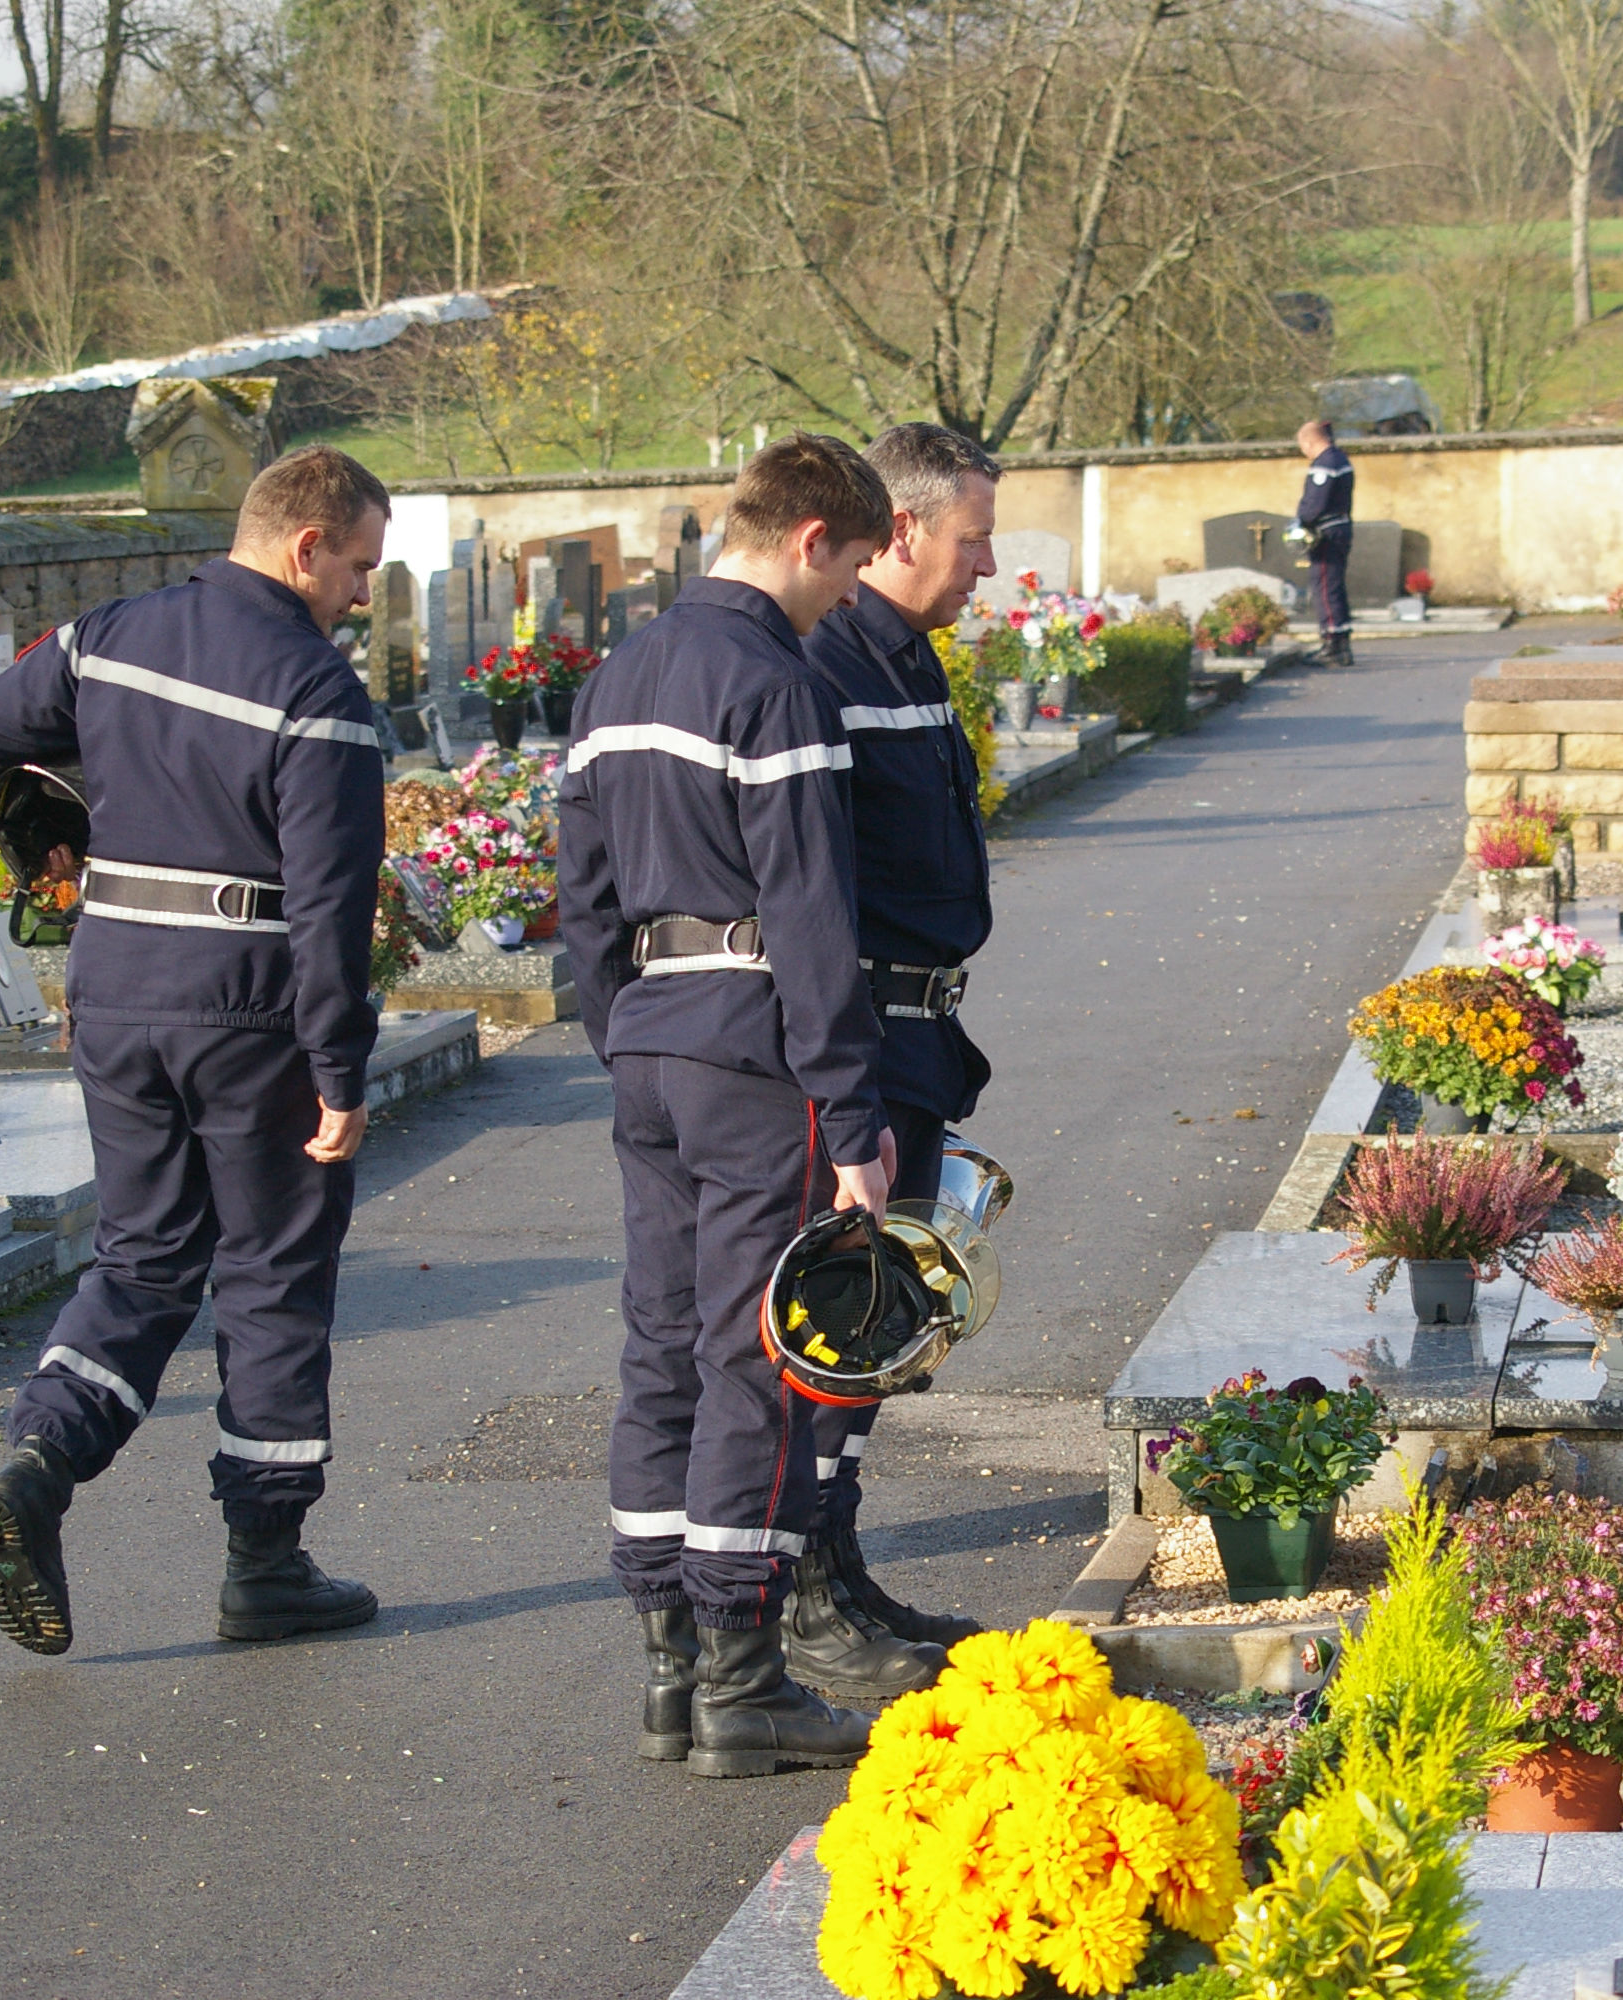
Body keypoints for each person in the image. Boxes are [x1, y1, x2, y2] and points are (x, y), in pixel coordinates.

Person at [0, 445, 392, 1655]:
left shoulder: (107, 635)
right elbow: (329, 904)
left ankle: (38, 1461)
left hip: (114, 983)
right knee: (273, 1271)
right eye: (359, 567)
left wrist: (36, 834)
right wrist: (341, 1071)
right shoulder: (317, 694)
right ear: (307, 547)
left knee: (142, 1255)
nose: (362, 595)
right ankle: (267, 1561)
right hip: (245, 1002)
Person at [557, 434, 943, 1782]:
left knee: (660, 1346)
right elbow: (808, 909)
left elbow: (584, 897)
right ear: (813, 539)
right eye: (848, 566)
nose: (849, 594)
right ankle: (745, 1678)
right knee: (758, 1356)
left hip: (651, 1041)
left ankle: (668, 1667)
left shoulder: (618, 674)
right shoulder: (771, 682)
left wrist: (625, 1032)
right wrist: (851, 1114)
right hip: (752, 1047)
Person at [793, 422, 999, 1652]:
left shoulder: (908, 658)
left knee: (888, 1316)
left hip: (918, 1028)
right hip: (861, 1025)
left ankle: (840, 1558)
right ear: (903, 528)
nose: (984, 567)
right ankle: (804, 1588)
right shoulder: (826, 663)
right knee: (841, 1307)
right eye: (970, 539)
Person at [1293, 418, 1354, 666]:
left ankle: (1332, 644)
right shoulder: (1340, 459)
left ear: (1309, 442)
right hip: (1340, 526)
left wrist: (1301, 519)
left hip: (1326, 532)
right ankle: (1341, 641)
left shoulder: (1324, 464)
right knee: (1335, 585)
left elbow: (1315, 503)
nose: (1304, 452)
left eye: (1303, 447)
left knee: (1325, 586)